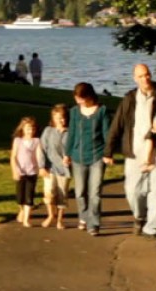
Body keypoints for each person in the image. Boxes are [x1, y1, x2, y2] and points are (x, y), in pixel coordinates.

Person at [106, 63, 156, 239]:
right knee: (133, 190)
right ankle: (139, 216)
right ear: (134, 79)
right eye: (141, 76)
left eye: (147, 75)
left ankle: (151, 227)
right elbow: (117, 124)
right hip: (135, 151)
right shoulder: (130, 98)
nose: (145, 79)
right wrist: (108, 150)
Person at [63, 82, 112, 236]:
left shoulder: (102, 111)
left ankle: (94, 223)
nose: (78, 101)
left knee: (95, 192)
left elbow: (107, 134)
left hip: (97, 155)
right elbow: (71, 134)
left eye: (81, 99)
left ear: (89, 96)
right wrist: (67, 153)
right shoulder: (75, 112)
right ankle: (84, 216)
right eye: (77, 98)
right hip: (78, 157)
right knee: (79, 192)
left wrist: (108, 154)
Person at [38, 104, 70, 229]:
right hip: (49, 167)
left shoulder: (70, 132)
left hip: (64, 169)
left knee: (62, 195)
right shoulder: (48, 131)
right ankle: (51, 215)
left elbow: (74, 148)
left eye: (62, 117)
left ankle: (60, 220)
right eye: (58, 118)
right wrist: (41, 166)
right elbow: (41, 149)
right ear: (53, 118)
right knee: (49, 193)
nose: (61, 120)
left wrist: (69, 157)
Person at [10, 116, 41, 227]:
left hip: (32, 172)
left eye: (32, 128)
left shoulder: (37, 141)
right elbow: (13, 157)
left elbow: (38, 155)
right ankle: (21, 210)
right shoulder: (18, 141)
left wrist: (40, 167)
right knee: (20, 197)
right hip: (20, 172)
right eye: (28, 128)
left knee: (29, 196)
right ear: (22, 128)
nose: (30, 131)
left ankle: (26, 219)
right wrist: (15, 170)